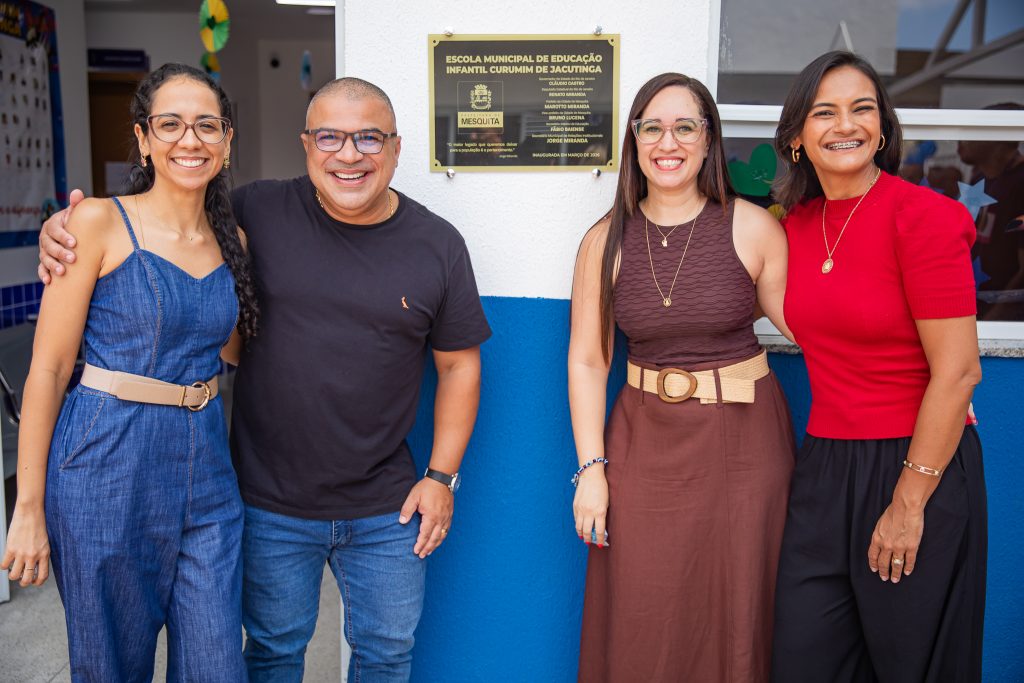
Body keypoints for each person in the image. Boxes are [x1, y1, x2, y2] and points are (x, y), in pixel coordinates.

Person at [37, 77, 491, 682]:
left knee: (385, 656)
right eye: (330, 136)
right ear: (306, 144)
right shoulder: (252, 214)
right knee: (269, 653)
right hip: (266, 499)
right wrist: (61, 230)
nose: (349, 154)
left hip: (385, 505)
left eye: (368, 138)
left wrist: (441, 476)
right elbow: (160, 216)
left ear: (397, 148)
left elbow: (460, 362)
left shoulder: (436, 243)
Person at [2, 63, 256, 681]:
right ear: (143, 138)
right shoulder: (95, 223)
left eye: (206, 125)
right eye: (169, 124)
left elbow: (230, 354)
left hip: (207, 469)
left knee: (218, 663)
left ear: (227, 141)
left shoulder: (235, 242)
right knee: (111, 663)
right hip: (104, 461)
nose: (188, 140)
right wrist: (27, 506)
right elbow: (50, 368)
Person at [568, 72, 796, 682]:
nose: (667, 142)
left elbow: (818, 332)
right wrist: (591, 470)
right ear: (635, 141)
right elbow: (589, 361)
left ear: (707, 140)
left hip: (746, 445)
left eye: (685, 126)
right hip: (643, 444)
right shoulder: (603, 241)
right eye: (652, 127)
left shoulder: (751, 227)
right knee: (643, 603)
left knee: (738, 605)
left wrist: (917, 376)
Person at [771, 51, 986, 682]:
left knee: (909, 665)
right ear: (796, 138)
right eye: (825, 111)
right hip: (823, 468)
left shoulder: (924, 218)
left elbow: (960, 372)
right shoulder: (793, 228)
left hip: (915, 463)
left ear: (884, 127)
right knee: (804, 660)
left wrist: (909, 501)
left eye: (863, 108)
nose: (847, 124)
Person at [957, 103, 1024, 321]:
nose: (962, 139)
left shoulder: (1020, 181)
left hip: (1007, 313)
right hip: (974, 303)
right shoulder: (978, 179)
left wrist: (998, 313)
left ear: (998, 137)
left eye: (977, 130)